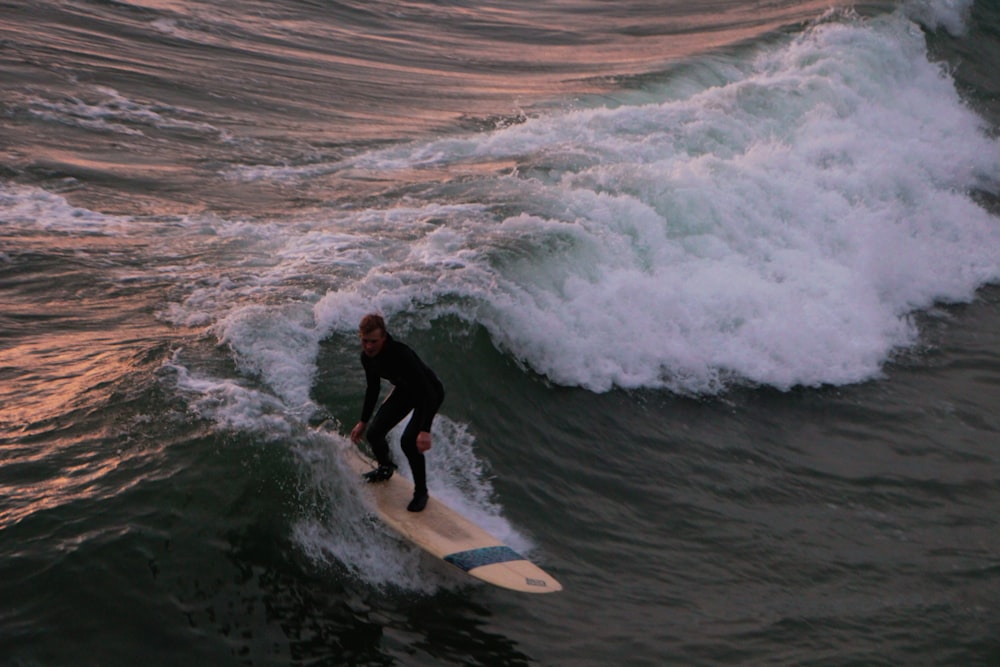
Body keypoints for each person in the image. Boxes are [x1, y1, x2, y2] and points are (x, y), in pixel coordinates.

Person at [349, 313, 445, 512]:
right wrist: (363, 421)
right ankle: (385, 468)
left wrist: (425, 430)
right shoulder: (367, 358)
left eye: (373, 341)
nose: (368, 347)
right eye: (364, 341)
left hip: (429, 393)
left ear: (384, 337)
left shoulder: (401, 353)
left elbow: (427, 390)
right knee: (374, 433)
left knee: (408, 442)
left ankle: (421, 492)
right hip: (405, 391)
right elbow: (373, 388)